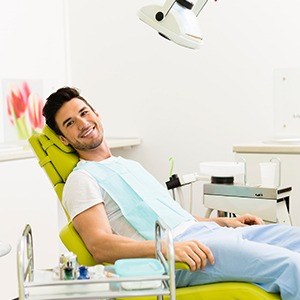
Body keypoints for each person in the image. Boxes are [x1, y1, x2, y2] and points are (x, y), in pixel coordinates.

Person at [43, 87, 300, 300]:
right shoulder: (81, 179)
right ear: (64, 139)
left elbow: (176, 218)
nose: (83, 124)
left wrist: (224, 221)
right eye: (70, 123)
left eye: (84, 113)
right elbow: (99, 246)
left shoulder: (129, 166)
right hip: (182, 256)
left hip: (208, 234)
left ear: (96, 114)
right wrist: (166, 249)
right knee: (290, 266)